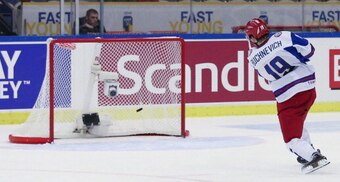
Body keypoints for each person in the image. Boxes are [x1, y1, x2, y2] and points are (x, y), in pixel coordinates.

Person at [244, 18, 330, 174]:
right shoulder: (283, 37)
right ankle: (306, 152)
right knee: (297, 122)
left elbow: (266, 78)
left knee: (291, 140)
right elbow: (310, 50)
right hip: (308, 87)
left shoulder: (252, 57)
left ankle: (313, 156)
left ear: (252, 37)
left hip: (288, 96)